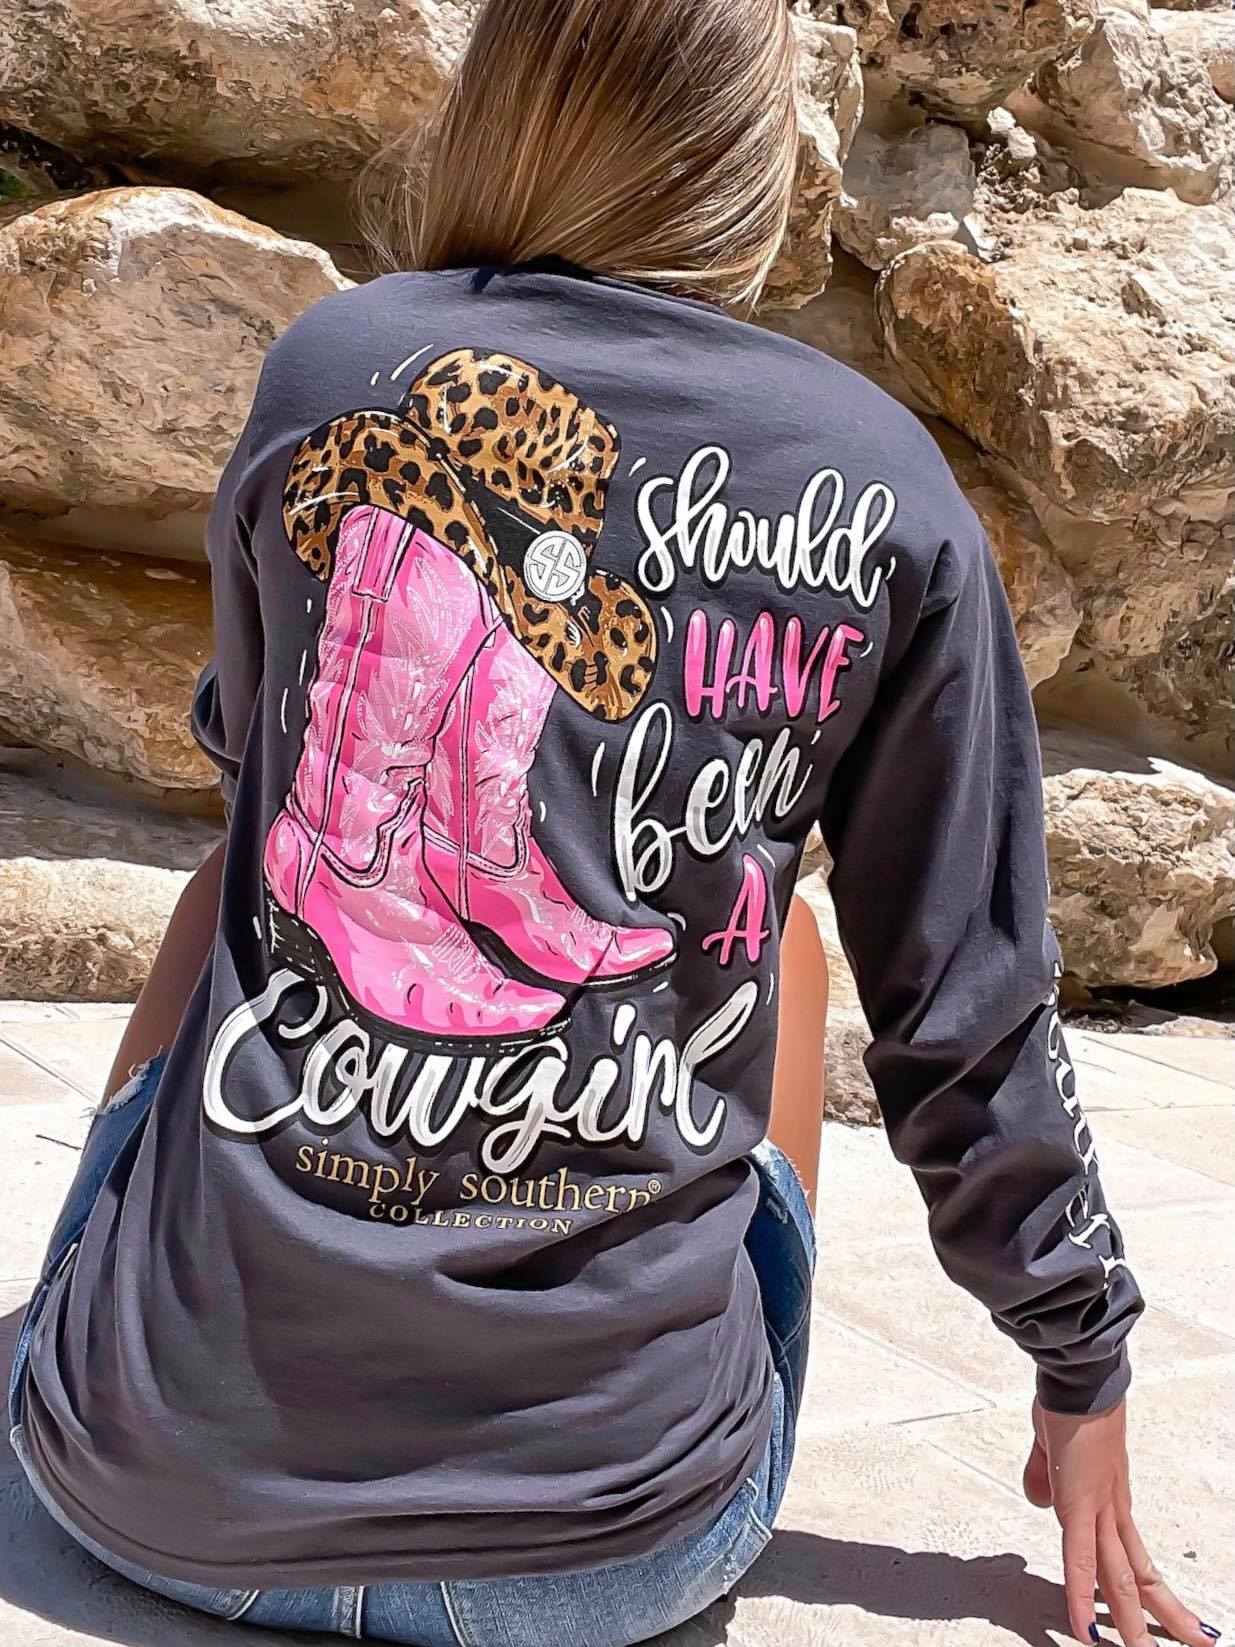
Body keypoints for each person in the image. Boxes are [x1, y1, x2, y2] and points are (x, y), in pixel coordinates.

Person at [7, 2, 1216, 1645]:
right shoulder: (881, 475)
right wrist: (1082, 1356)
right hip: (596, 1568)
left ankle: (196, 1331)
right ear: (752, 151)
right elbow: (965, 1000)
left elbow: (249, 754)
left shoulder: (339, 366)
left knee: (255, 859)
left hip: (152, 1500)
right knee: (776, 937)